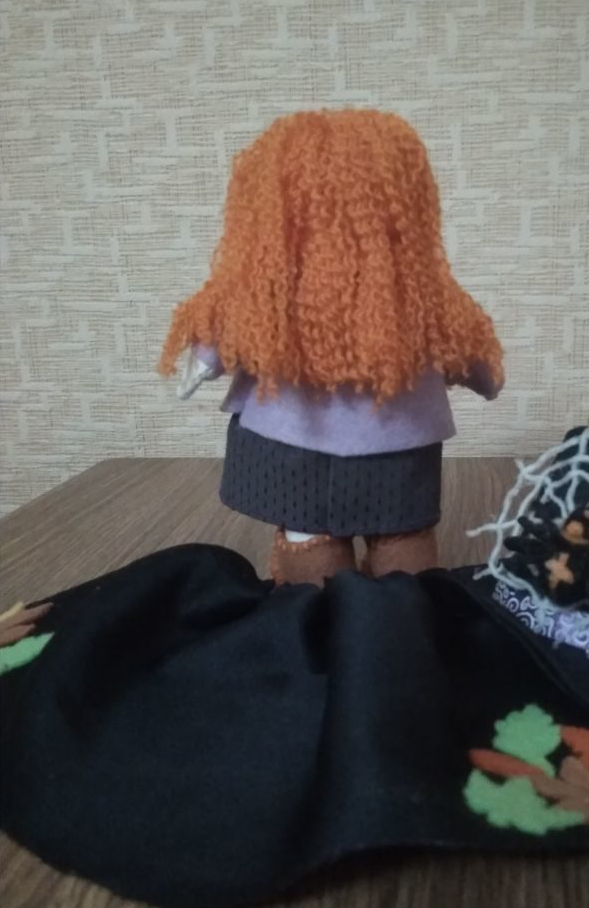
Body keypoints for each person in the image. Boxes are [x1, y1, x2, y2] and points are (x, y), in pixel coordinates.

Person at [160, 109, 504, 585]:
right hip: (394, 444)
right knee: (398, 542)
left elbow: (218, 336)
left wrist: (200, 363)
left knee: (316, 540)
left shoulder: (269, 288)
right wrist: (488, 378)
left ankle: (327, 603)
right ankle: (394, 601)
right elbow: (475, 361)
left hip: (298, 445)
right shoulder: (418, 294)